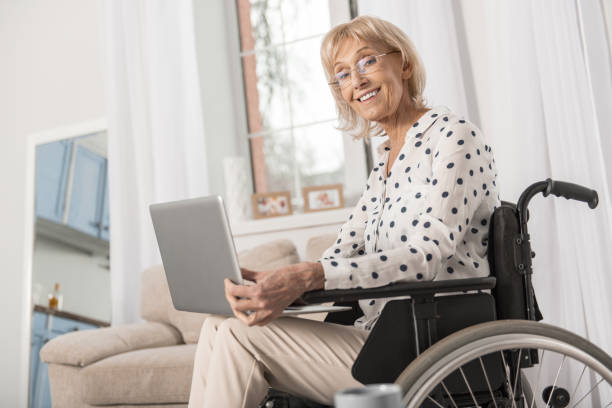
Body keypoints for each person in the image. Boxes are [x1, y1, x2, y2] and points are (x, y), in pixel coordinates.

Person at [188, 15, 500, 407]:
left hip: (428, 342)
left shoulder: (453, 136)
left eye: (367, 61)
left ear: (403, 63)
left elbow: (426, 255)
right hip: (379, 337)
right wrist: (276, 281)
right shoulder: (385, 161)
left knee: (238, 335)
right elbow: (342, 253)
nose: (357, 81)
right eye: (343, 74)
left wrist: (308, 275)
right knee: (219, 323)